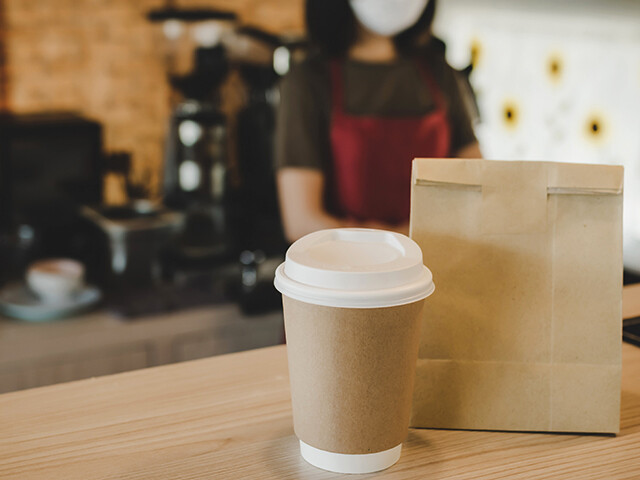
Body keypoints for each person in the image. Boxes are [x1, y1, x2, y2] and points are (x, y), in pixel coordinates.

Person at [275, 0, 482, 242]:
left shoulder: (441, 73)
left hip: (437, 266)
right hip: (350, 270)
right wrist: (398, 242)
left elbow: (478, 186)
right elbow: (302, 221)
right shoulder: (307, 82)